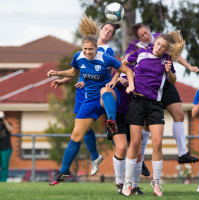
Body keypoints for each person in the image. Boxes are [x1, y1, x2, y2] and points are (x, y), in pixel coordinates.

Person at [47, 14, 134, 186]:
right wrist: (58, 74)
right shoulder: (78, 57)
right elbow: (73, 72)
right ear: (82, 48)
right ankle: (64, 172)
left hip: (108, 96)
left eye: (90, 49)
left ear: (96, 48)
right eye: (85, 49)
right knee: (76, 136)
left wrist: (130, 84)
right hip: (89, 100)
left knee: (104, 90)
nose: (87, 52)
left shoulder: (105, 57)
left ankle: (111, 121)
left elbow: (127, 70)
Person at [126, 23, 199, 168]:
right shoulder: (135, 46)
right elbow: (127, 61)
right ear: (137, 38)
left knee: (179, 115)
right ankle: (141, 159)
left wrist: (189, 66)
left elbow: (175, 54)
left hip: (165, 82)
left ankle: (182, 153)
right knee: (146, 127)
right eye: (142, 36)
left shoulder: (160, 38)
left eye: (146, 33)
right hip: (148, 87)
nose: (146, 36)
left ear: (149, 29)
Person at [121, 31, 185, 197]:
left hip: (155, 104)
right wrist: (123, 79)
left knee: (157, 144)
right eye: (158, 44)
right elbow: (123, 63)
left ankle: (156, 182)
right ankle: (127, 182)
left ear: (166, 49)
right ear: (154, 43)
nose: (159, 48)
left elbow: (172, 81)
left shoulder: (167, 60)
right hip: (136, 101)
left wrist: (169, 71)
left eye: (163, 47)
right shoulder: (141, 53)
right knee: (134, 142)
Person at [0, 111, 13, 182]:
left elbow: (10, 129)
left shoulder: (7, 124)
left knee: (4, 165)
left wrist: (4, 121)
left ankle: (2, 181)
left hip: (6, 148)